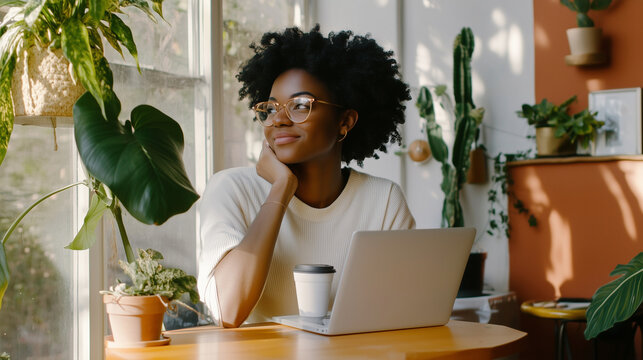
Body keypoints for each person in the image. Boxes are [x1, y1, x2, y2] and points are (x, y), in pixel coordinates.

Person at [197, 25, 415, 328]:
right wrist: (281, 189)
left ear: (344, 122)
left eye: (300, 105)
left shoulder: (384, 201)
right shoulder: (231, 189)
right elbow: (229, 311)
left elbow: (402, 316)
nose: (280, 119)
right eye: (270, 108)